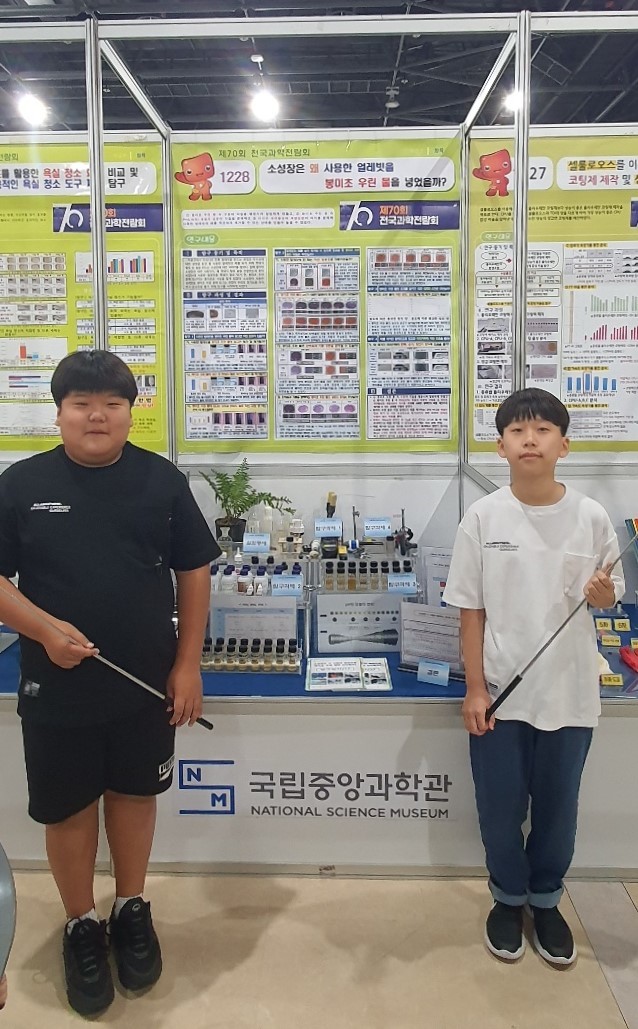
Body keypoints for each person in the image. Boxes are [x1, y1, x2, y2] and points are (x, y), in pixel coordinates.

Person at [0, 350, 220, 1016]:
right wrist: (44, 630)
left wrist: (187, 663)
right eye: (81, 404)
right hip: (55, 684)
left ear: (130, 412)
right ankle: (80, 925)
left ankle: (130, 906)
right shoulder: (21, 483)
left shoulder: (161, 480)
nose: (96, 416)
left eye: (111, 404)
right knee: (67, 808)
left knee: (133, 793)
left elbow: (194, 571)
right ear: (59, 412)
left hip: (146, 682)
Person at [443, 388, 624, 967]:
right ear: (500, 447)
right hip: (500, 695)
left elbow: (610, 597)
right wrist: (475, 688)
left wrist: (603, 594)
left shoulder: (591, 517)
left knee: (558, 810)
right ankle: (506, 898)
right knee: (498, 810)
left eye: (543, 430)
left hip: (570, 695)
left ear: (562, 446)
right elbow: (470, 609)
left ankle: (545, 901)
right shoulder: (483, 517)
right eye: (518, 431)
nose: (530, 440)